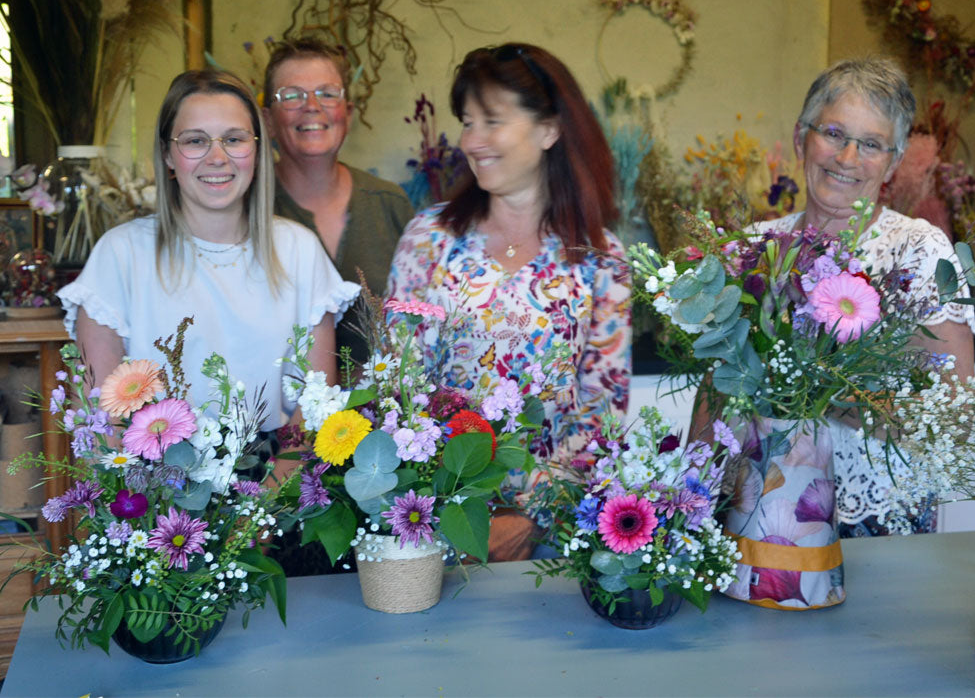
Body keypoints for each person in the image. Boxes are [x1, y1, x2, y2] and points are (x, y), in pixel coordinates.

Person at [387, 43, 632, 561]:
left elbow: (600, 412)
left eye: (491, 121)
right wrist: (448, 509)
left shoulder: (601, 256)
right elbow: (398, 387)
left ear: (549, 129)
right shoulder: (428, 239)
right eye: (466, 122)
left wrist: (532, 518)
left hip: (550, 537)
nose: (472, 141)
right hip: (434, 521)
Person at [733, 56, 975, 537]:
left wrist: (824, 394)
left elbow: (954, 417)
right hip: (761, 508)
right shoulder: (754, 248)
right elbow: (715, 389)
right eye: (834, 134)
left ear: (893, 163)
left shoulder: (918, 250)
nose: (847, 159)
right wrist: (694, 494)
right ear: (803, 138)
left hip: (877, 517)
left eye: (870, 144)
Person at [59, 69, 359, 433]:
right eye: (195, 141)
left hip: (280, 478)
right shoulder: (121, 255)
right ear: (168, 155)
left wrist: (273, 488)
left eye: (234, 139)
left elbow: (316, 407)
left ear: (257, 150)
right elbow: (100, 421)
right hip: (153, 480)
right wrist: (149, 490)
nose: (217, 157)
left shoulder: (300, 251)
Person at [263, 37, 414, 361]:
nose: (312, 106)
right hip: (278, 409)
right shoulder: (249, 210)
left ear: (348, 111)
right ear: (267, 120)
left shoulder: (389, 203)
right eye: (292, 96)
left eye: (327, 94)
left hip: (382, 407)